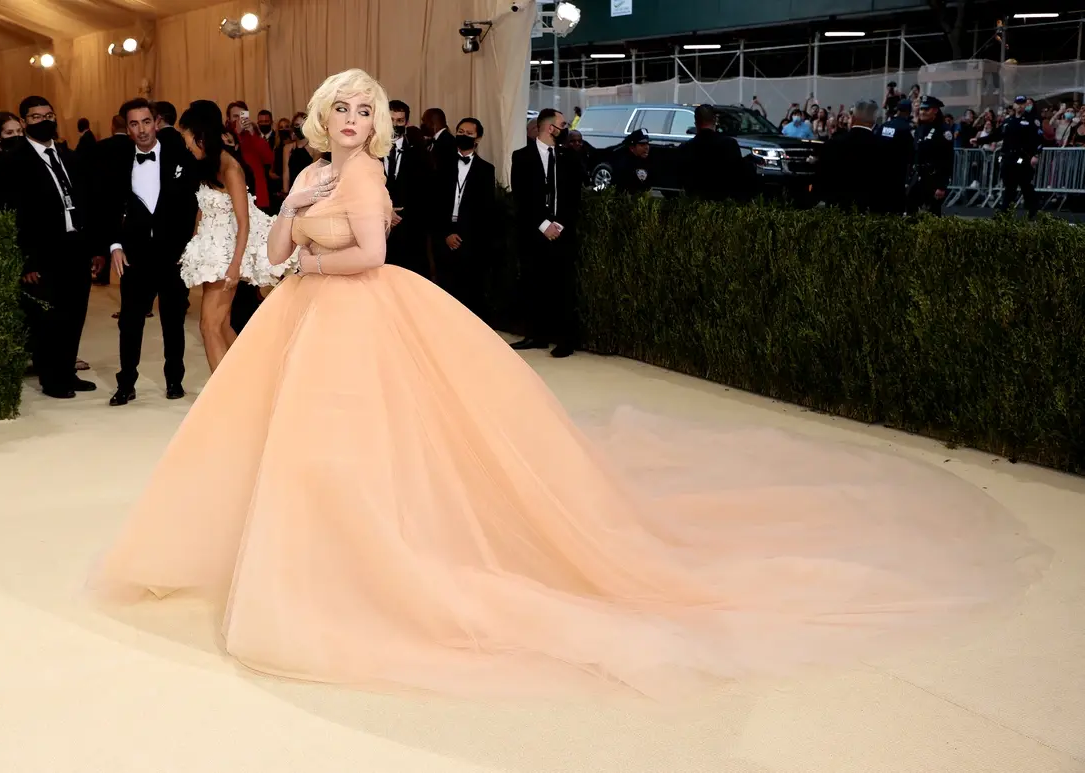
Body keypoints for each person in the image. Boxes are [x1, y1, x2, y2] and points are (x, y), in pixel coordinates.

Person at [89, 68, 1042, 701]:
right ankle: (296, 561)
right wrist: (293, 211)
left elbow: (371, 256)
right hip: (306, 324)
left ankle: (361, 569)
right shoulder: (307, 177)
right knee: (293, 451)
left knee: (370, 450)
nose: (352, 119)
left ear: (374, 123)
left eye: (363, 109)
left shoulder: (369, 179)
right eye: (341, 107)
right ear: (319, 117)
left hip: (363, 319)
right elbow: (270, 256)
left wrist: (306, 258)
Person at [0, 96, 103, 398]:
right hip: (44, 252)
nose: (44, 121)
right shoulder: (15, 161)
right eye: (36, 117)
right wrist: (27, 260)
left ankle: (67, 372)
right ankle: (52, 379)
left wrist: (94, 247)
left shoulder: (67, 155)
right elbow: (13, 214)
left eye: (48, 115)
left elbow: (86, 200)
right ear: (24, 121)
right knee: (49, 320)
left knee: (75, 314)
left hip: (76, 245)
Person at [102, 99, 199, 406]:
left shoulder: (180, 156)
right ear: (127, 127)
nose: (141, 129)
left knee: (173, 320)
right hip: (135, 254)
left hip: (173, 254)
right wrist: (115, 245)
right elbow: (109, 205)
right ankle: (126, 383)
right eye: (134, 124)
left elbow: (193, 204)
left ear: (156, 122)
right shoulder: (118, 160)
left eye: (146, 122)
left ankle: (174, 381)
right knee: (130, 322)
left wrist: (190, 245)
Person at [177, 100, 286, 372]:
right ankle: (246, 382)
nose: (186, 145)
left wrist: (236, 265)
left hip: (227, 255)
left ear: (200, 135)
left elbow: (243, 221)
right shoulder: (208, 165)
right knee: (221, 325)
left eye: (187, 138)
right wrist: (194, 247)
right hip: (212, 252)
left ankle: (222, 393)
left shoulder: (230, 168)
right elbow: (204, 209)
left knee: (209, 326)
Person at [510, 108, 584, 358]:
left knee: (563, 287)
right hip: (534, 233)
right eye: (563, 125)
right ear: (550, 128)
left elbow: (574, 196)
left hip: (562, 233)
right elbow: (521, 197)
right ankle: (536, 335)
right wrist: (543, 225)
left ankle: (565, 339)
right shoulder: (521, 156)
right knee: (533, 283)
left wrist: (559, 224)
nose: (566, 129)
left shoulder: (569, 157)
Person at [430, 116, 496, 317]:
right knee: (443, 289)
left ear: (478, 138)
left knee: (468, 291)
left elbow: (485, 210)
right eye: (460, 132)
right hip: (443, 235)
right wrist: (446, 233)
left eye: (469, 133)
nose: (464, 136)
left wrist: (464, 237)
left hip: (470, 239)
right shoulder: (440, 164)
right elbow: (433, 203)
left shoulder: (486, 170)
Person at [817, 99, 896, 214]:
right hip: (867, 208)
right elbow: (885, 181)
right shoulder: (882, 146)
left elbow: (823, 174)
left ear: (853, 118)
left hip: (837, 208)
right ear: (873, 120)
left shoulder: (834, 143)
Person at [976, 96, 1045, 219]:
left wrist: (1035, 155)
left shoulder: (1032, 120)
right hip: (1008, 157)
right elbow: (997, 135)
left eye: (1022, 104)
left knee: (1025, 185)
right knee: (1009, 186)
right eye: (1018, 104)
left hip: (1023, 157)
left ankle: (1034, 210)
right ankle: (1005, 213)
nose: (1020, 106)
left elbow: (1039, 139)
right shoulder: (1008, 121)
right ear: (1014, 105)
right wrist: (979, 140)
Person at [383, 99, 430, 277]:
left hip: (409, 228)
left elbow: (424, 189)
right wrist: (385, 210)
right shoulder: (370, 151)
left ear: (407, 122)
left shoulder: (419, 151)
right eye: (391, 120)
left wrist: (402, 214)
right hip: (377, 226)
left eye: (400, 121)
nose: (395, 125)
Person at [680, 104, 749, 202]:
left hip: (695, 203)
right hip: (723, 202)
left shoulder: (686, 147)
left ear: (696, 123)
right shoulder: (729, 144)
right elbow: (738, 176)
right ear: (715, 121)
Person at [909, 95, 954, 216]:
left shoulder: (943, 130)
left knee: (932, 214)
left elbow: (947, 159)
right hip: (918, 176)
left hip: (934, 178)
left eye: (926, 109)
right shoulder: (921, 128)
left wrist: (942, 186)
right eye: (921, 109)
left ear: (935, 110)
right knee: (911, 211)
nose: (922, 112)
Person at [878, 99, 916, 214]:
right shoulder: (907, 128)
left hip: (882, 172)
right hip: (898, 172)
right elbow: (912, 151)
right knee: (896, 207)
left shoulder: (884, 126)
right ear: (908, 112)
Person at [612, 129, 652, 194]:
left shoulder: (646, 161)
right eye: (642, 144)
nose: (647, 147)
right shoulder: (623, 164)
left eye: (647, 144)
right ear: (632, 148)